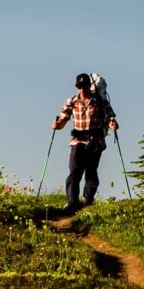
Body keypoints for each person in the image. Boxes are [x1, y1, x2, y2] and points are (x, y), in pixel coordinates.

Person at [54, 71, 117, 212]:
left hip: (95, 141)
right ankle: (72, 203)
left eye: (85, 86)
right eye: (79, 87)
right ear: (77, 87)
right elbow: (63, 120)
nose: (82, 89)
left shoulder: (100, 102)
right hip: (77, 140)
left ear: (89, 86)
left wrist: (113, 124)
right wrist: (57, 125)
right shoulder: (71, 102)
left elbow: (110, 118)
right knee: (74, 171)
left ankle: (88, 201)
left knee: (91, 172)